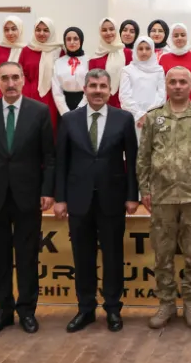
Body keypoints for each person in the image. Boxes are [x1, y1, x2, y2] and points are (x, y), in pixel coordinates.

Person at [0, 60, 55, 336]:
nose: (10, 83)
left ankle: (27, 311)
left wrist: (47, 191)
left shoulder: (39, 111)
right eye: (4, 78)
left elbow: (49, 157)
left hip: (28, 197)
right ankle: (3, 312)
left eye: (15, 77)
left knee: (28, 257)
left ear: (23, 80)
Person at [54, 69, 140, 333]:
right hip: (78, 199)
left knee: (113, 256)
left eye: (103, 86)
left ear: (110, 90)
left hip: (112, 198)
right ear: (85, 89)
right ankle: (86, 308)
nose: (98, 91)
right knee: (83, 257)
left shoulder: (124, 119)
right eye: (93, 86)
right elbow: (61, 162)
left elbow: (132, 161)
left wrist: (132, 195)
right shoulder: (69, 120)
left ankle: (113, 308)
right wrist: (60, 198)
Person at [138, 67, 191, 330]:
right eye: (173, 82)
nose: (178, 86)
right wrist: (144, 190)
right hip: (162, 197)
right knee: (163, 254)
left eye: (183, 81)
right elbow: (143, 157)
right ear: (166, 84)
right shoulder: (153, 117)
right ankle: (167, 303)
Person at [19, 17, 62, 132]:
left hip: (53, 96)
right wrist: (27, 92)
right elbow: (20, 74)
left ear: (51, 31)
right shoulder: (27, 50)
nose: (41, 33)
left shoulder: (59, 50)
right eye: (38, 30)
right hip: (30, 95)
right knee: (30, 128)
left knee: (50, 127)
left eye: (46, 30)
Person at [119, 35, 166, 136]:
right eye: (140, 49)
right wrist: (139, 115)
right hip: (133, 118)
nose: (144, 52)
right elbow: (124, 96)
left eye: (147, 48)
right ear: (135, 50)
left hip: (154, 118)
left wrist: (149, 115)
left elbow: (161, 95)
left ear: (152, 50)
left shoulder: (159, 70)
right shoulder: (127, 70)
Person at [159, 23, 191, 104]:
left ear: (187, 37)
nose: (179, 38)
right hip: (170, 106)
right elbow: (161, 86)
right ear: (171, 38)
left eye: (183, 35)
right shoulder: (164, 59)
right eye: (176, 36)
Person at [88, 18, 126, 108]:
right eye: (104, 30)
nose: (108, 33)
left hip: (125, 105)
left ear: (116, 30)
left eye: (111, 29)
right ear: (100, 32)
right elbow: (92, 85)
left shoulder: (127, 54)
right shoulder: (94, 58)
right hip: (101, 105)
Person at [52, 27, 89, 116]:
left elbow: (90, 87)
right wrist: (65, 112)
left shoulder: (89, 60)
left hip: (85, 103)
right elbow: (56, 90)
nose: (72, 42)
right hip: (63, 105)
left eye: (75, 39)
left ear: (81, 40)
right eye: (68, 39)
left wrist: (80, 109)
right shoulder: (58, 62)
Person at [0, 16, 26, 99]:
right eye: (6, 30)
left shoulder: (26, 50)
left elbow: (26, 78)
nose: (10, 33)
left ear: (20, 29)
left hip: (22, 98)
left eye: (14, 29)